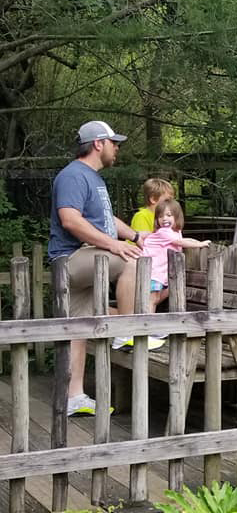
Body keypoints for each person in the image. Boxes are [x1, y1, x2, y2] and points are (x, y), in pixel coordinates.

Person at [49, 121, 142, 416]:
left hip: (84, 259)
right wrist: (116, 246)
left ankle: (72, 397)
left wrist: (136, 236)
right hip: (74, 258)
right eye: (115, 143)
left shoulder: (93, 179)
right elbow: (71, 220)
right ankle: (126, 330)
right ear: (98, 143)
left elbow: (106, 220)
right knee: (131, 261)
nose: (117, 148)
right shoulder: (73, 175)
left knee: (78, 329)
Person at [113, 199, 210, 348]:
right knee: (151, 301)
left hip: (157, 273)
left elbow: (182, 239)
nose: (164, 219)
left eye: (169, 215)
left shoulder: (174, 232)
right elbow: (181, 243)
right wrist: (199, 244)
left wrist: (198, 242)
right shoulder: (164, 233)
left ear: (177, 217)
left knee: (153, 299)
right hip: (152, 272)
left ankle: (150, 328)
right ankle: (148, 330)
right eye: (161, 216)